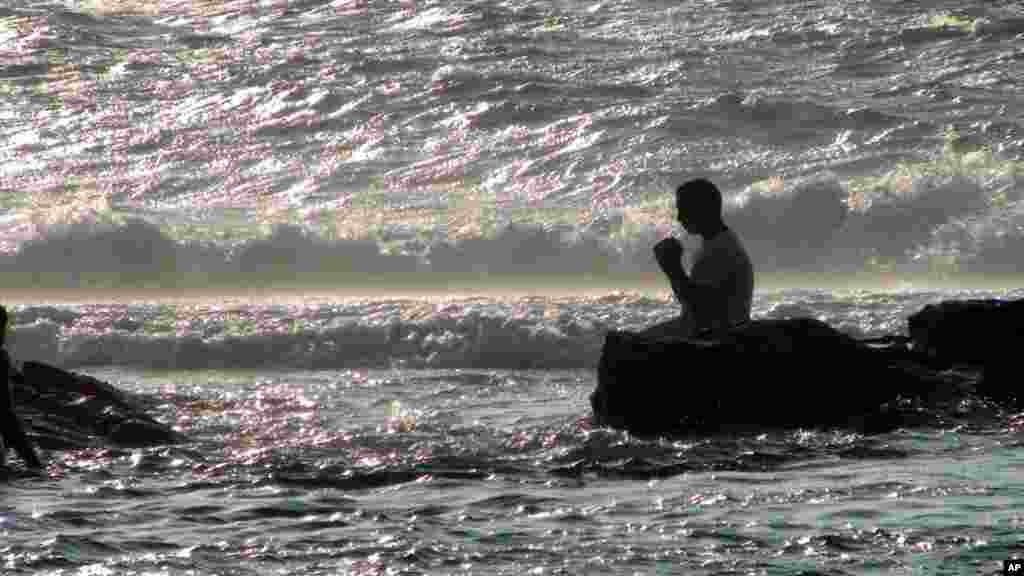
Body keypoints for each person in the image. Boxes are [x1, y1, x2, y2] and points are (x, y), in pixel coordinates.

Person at [642, 178, 754, 339]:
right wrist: (672, 269)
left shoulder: (719, 251)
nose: (679, 218)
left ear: (702, 210)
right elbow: (695, 302)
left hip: (718, 337)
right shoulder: (718, 241)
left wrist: (672, 268)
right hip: (721, 330)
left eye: (684, 210)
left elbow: (700, 309)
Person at [0, 306, 42, 470]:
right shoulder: (1, 356)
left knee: (29, 459)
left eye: (2, 328)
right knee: (32, 461)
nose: (3, 335)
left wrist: (25, 382)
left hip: (7, 415)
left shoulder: (2, 355)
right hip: (5, 415)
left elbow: (13, 375)